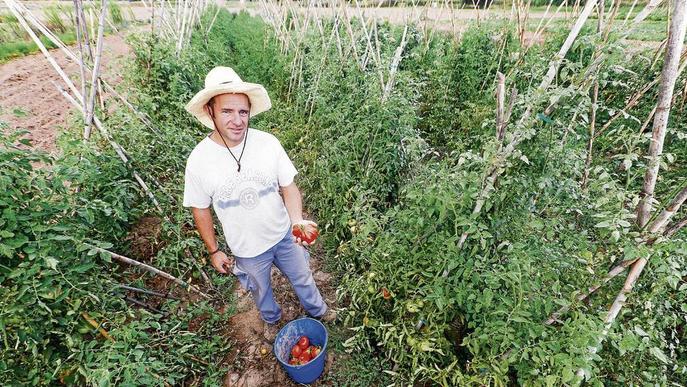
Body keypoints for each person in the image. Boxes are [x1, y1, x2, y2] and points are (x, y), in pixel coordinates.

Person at [183, 66, 335, 341]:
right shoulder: (199, 161)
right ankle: (272, 320)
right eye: (227, 111)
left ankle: (318, 310)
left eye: (243, 111)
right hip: (247, 250)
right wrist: (214, 250)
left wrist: (297, 221)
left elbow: (288, 186)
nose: (237, 120)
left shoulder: (268, 143)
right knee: (260, 290)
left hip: (283, 235)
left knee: (303, 277)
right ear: (210, 111)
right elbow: (200, 208)